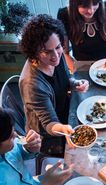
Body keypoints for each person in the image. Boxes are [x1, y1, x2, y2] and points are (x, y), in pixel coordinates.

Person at [19, 14, 89, 156]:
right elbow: (49, 124)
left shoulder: (56, 55)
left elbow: (65, 78)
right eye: (47, 51)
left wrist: (75, 83)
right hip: (48, 138)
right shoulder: (32, 84)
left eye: (58, 47)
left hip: (66, 112)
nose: (56, 56)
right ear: (34, 52)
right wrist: (63, 129)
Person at [57, 0, 106, 71]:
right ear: (74, 3)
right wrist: (75, 70)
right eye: (85, 6)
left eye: (95, 3)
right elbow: (65, 52)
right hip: (81, 64)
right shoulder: (64, 15)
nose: (91, 11)